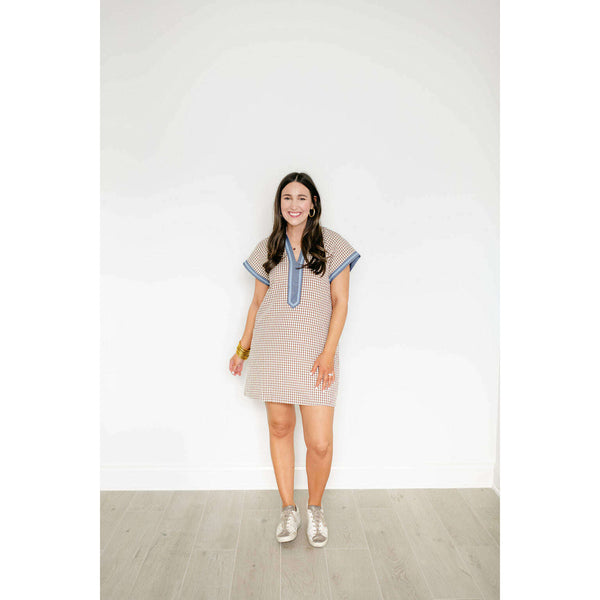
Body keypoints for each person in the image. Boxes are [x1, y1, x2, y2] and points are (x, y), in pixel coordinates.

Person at [229, 172, 361, 547]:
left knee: (319, 442)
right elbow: (257, 302)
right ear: (279, 204)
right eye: (287, 198)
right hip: (273, 350)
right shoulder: (267, 248)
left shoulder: (333, 245)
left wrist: (328, 353)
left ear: (313, 203)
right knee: (280, 428)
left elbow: (341, 302)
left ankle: (314, 508)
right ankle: (288, 509)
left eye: (302, 197)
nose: (294, 205)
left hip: (317, 356)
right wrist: (242, 349)